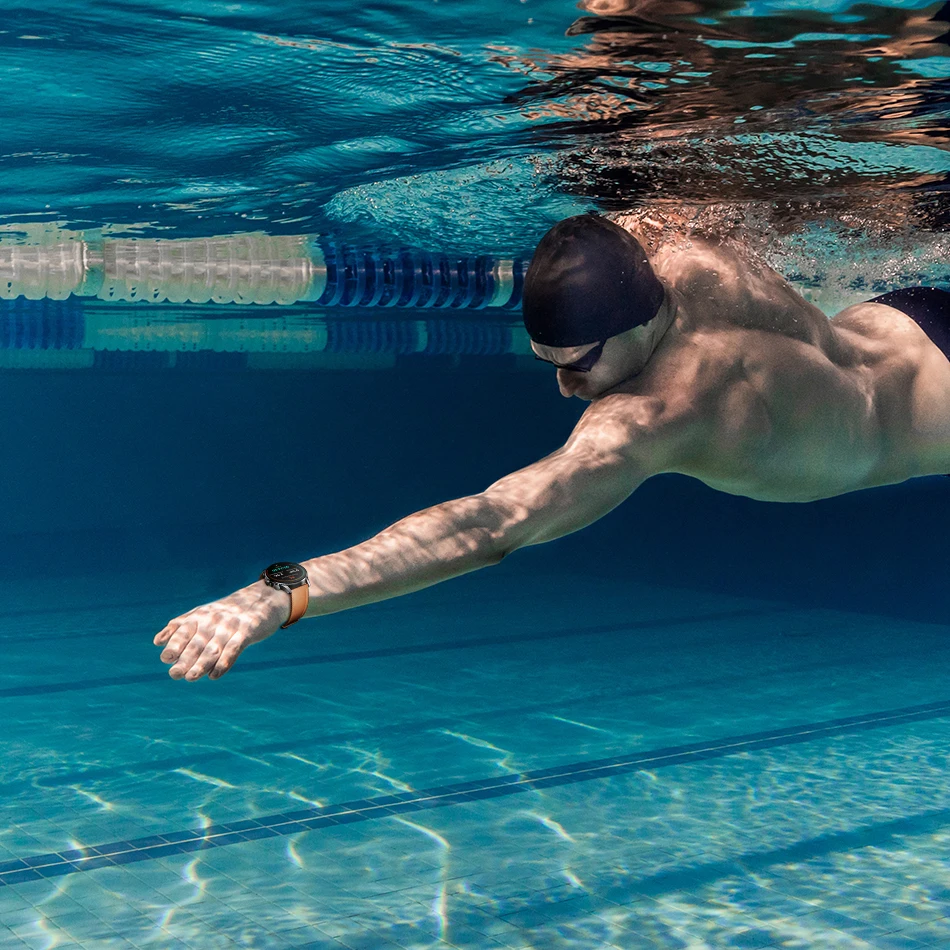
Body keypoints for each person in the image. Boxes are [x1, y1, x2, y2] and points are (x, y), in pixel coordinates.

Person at [154, 213, 950, 682]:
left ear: (638, 322)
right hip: (910, 316)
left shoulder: (658, 413)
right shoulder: (684, 256)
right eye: (551, 365)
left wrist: (281, 592)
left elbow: (487, 526)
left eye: (579, 364)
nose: (567, 390)